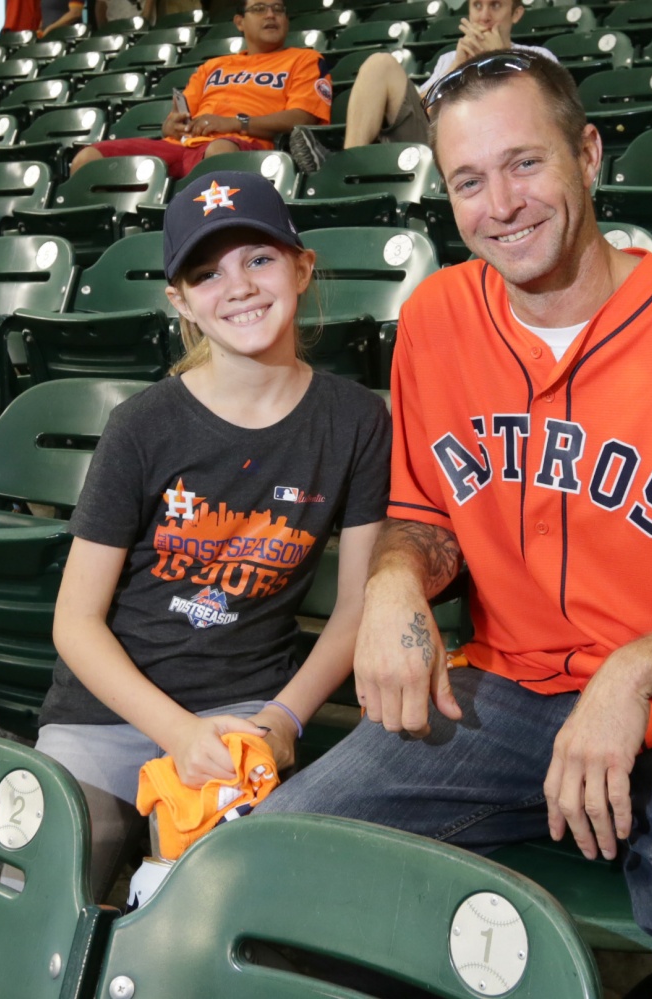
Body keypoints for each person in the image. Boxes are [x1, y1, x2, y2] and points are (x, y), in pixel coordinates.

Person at [260, 53, 652, 998]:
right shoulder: (434, 319)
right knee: (265, 867)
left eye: (525, 164)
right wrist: (392, 578)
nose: (500, 204)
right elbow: (425, 517)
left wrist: (636, 671)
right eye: (469, 180)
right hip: (503, 696)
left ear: (587, 155)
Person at [26, 170, 390, 901]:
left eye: (258, 258)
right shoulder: (142, 425)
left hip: (246, 712)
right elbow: (75, 620)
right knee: (41, 890)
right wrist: (173, 730)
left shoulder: (356, 420)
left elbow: (357, 605)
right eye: (206, 272)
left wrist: (284, 718)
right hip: (112, 707)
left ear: (301, 264)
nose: (240, 286)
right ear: (181, 300)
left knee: (211, 916)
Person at [288, 0, 554, 177]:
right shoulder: (450, 59)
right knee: (380, 63)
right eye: (477, 5)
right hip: (436, 141)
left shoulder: (535, 56)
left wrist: (499, 58)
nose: (484, 16)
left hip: (491, 148)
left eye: (495, 5)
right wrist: (457, 68)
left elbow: (541, 117)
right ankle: (344, 169)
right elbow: (419, 109)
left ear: (516, 13)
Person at [70, 1, 332, 178]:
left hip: (243, 145)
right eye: (260, 9)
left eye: (278, 9)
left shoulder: (305, 60)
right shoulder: (213, 66)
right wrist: (170, 126)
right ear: (240, 22)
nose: (271, 15)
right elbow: (179, 119)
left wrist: (235, 123)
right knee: (87, 158)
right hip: (182, 146)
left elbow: (303, 117)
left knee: (219, 153)